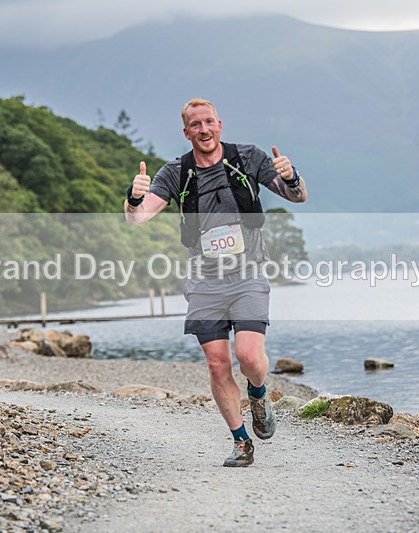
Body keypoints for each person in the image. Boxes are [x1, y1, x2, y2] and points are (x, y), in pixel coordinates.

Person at [124, 98, 307, 467]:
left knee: (249, 357)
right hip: (204, 281)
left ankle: (258, 393)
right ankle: (241, 442)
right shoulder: (176, 173)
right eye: (196, 125)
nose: (203, 130)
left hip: (248, 275)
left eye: (209, 122)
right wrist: (134, 197)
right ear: (186, 132)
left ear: (219, 125)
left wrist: (290, 176)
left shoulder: (247, 158)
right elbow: (137, 219)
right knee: (217, 363)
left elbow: (298, 195)